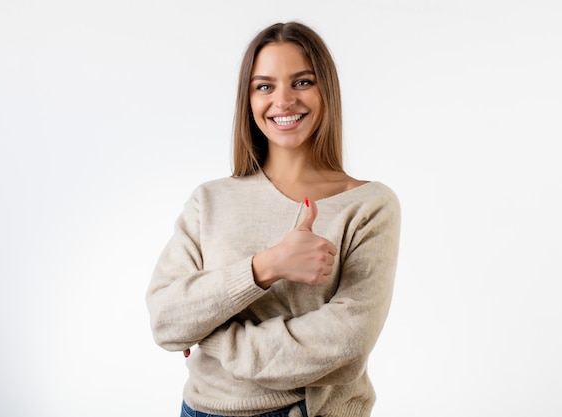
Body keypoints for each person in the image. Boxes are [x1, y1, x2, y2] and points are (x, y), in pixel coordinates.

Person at [146, 21, 401, 417]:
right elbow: (165, 319)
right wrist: (267, 266)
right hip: (199, 409)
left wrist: (208, 332)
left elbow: (346, 345)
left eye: (301, 82)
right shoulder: (209, 199)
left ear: (326, 90)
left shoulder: (368, 205)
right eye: (264, 86)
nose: (283, 101)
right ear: (247, 99)